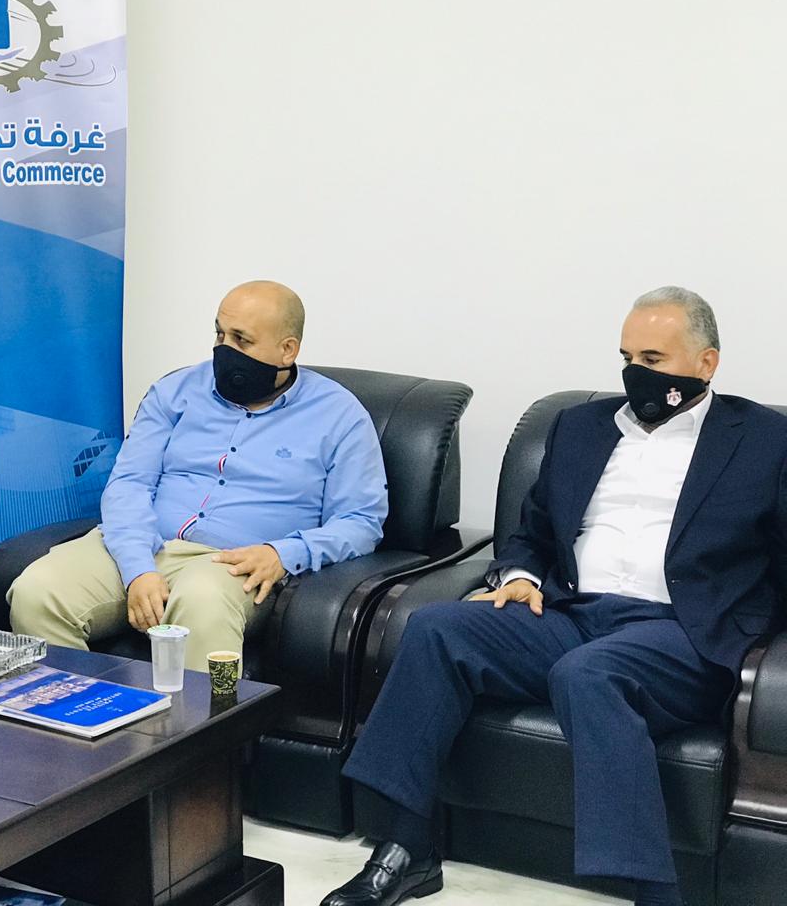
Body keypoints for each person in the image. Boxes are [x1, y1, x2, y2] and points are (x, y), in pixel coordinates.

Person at [323, 287, 787, 906]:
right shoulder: (582, 427)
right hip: (571, 613)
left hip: (681, 631)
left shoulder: (764, 440)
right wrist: (518, 576)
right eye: (627, 357)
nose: (636, 373)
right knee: (436, 629)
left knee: (589, 673)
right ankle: (406, 848)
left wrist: (756, 633)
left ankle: (655, 893)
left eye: (654, 358)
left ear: (707, 363)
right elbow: (532, 531)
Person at [8, 280, 389, 671]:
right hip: (146, 544)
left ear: (287, 350)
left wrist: (283, 554)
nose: (225, 349)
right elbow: (130, 484)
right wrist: (138, 568)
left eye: (241, 340)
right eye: (220, 334)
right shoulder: (176, 391)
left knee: (201, 600)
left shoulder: (339, 416)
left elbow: (361, 522)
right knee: (37, 593)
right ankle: (84, 708)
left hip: (233, 565)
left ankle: (200, 715)